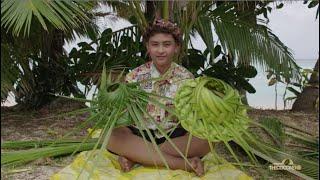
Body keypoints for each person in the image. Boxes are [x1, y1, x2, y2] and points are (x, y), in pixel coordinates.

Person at [107, 19, 210, 177]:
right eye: (155, 44)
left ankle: (138, 157)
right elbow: (124, 115)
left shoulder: (187, 79)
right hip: (140, 134)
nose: (160, 50)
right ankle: (184, 163)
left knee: (207, 141)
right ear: (148, 47)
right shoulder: (134, 76)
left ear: (176, 47)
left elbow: (192, 117)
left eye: (167, 44)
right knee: (111, 136)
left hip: (173, 137)